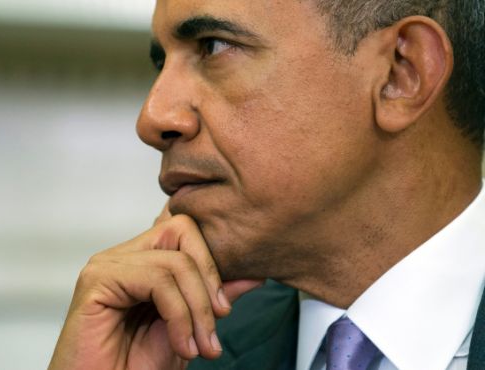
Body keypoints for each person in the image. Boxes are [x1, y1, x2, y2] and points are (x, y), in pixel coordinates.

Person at [49, 0, 485, 369]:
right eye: (161, 62)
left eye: (213, 46)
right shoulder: (176, 350)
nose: (153, 118)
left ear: (400, 73)